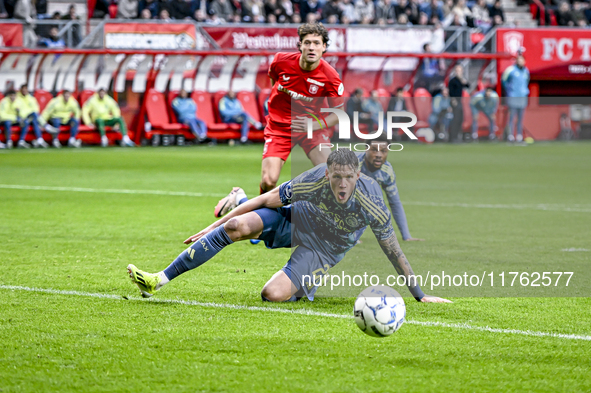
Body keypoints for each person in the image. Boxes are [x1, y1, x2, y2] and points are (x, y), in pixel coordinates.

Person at [127, 149, 450, 303]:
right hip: (299, 218)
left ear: (358, 177)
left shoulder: (371, 202)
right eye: (336, 176)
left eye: (348, 178)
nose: (341, 183)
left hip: (327, 247)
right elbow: (267, 198)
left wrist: (419, 295)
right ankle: (158, 280)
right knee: (237, 226)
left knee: (273, 295)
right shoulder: (312, 181)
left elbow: (394, 252)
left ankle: (301, 285)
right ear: (327, 174)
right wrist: (220, 222)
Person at [259, 22, 345, 194]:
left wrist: (313, 126)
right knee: (268, 181)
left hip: (311, 128)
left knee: (333, 177)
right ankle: (261, 215)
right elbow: (273, 81)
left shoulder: (331, 77)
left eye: (316, 43)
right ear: (300, 46)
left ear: (324, 47)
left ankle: (322, 216)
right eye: (307, 43)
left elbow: (339, 114)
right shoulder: (280, 61)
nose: (311, 48)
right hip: (280, 127)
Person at [358, 138, 423, 241]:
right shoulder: (352, 164)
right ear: (366, 149)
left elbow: (395, 202)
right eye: (374, 150)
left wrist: (406, 236)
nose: (379, 155)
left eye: (383, 151)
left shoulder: (387, 172)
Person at [502, 54, 529, 142]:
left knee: (520, 119)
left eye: (522, 60)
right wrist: (510, 90)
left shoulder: (526, 71)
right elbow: (504, 80)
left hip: (522, 97)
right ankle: (510, 135)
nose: (520, 62)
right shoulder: (511, 70)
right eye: (519, 60)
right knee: (511, 117)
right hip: (513, 97)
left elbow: (527, 81)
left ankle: (519, 135)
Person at [447, 64, 469, 142]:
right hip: (455, 102)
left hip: (460, 101)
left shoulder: (461, 80)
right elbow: (451, 92)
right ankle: (453, 137)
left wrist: (462, 80)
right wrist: (453, 100)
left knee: (460, 119)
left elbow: (467, 86)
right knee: (455, 119)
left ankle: (457, 136)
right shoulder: (452, 81)